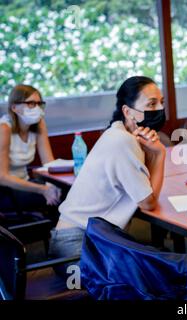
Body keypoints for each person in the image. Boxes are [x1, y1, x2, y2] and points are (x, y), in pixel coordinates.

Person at [48, 76, 167, 260]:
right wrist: (160, 154)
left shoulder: (119, 133)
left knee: (161, 269)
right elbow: (148, 203)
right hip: (78, 249)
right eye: (151, 104)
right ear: (128, 112)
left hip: (84, 240)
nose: (159, 109)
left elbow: (146, 187)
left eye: (161, 102)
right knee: (162, 276)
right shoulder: (122, 141)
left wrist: (151, 152)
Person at [0, 84, 61, 221]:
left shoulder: (39, 124)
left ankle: (59, 234)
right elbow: (2, 177)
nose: (37, 108)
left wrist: (52, 186)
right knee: (59, 199)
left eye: (39, 104)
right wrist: (43, 190)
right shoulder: (4, 128)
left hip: (25, 184)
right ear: (14, 107)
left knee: (62, 192)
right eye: (31, 103)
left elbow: (49, 164)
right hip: (5, 191)